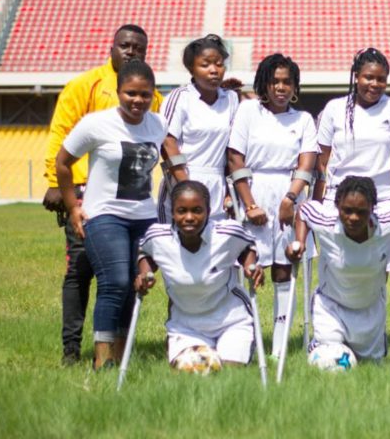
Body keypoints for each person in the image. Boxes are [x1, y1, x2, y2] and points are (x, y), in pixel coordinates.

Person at [42, 24, 163, 365]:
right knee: (80, 274)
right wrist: (56, 183)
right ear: (112, 47)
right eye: (124, 45)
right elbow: (62, 133)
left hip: (135, 207)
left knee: (124, 280)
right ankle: (72, 349)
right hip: (85, 196)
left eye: (137, 47)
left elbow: (163, 136)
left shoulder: (150, 97)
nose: (130, 52)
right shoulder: (86, 84)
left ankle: (117, 356)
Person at [227, 53, 318, 359]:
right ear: (264, 83)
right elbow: (235, 158)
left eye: (287, 82)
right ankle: (246, 341)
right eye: (274, 81)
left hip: (287, 194)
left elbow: (307, 164)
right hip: (253, 191)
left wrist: (290, 199)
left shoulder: (303, 119)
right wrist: (249, 204)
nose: (281, 87)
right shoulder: (249, 111)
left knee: (284, 269)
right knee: (248, 267)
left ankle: (279, 347)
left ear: (295, 87)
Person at [136, 180, 263, 368]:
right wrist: (144, 273)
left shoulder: (227, 232)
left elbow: (247, 245)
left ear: (208, 212)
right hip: (185, 325)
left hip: (230, 320)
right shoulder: (158, 237)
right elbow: (145, 252)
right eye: (181, 211)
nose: (189, 217)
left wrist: (251, 265)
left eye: (197, 210)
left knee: (229, 372)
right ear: (173, 212)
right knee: (193, 374)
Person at [287, 176, 390, 361]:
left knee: (371, 364)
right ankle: (319, 342)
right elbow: (304, 210)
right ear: (337, 206)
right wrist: (299, 241)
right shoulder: (325, 222)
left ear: (372, 208)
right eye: (347, 211)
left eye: (361, 212)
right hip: (331, 307)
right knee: (329, 356)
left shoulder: (387, 221)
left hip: (370, 308)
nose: (354, 218)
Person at [312, 48, 390, 207]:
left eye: (381, 79)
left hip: (384, 199)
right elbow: (321, 163)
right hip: (339, 199)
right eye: (368, 77)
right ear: (356, 77)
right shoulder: (333, 108)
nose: (375, 84)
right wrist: (317, 204)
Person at [158, 34, 238, 223]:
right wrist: (185, 184)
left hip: (217, 182)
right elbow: (167, 141)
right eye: (205, 65)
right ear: (191, 69)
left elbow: (232, 149)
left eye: (218, 64)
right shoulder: (179, 97)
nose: (213, 70)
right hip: (184, 178)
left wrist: (229, 188)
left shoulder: (231, 99)